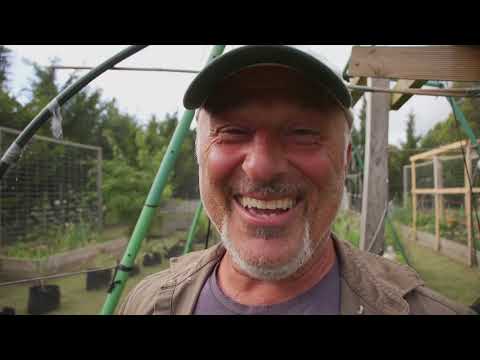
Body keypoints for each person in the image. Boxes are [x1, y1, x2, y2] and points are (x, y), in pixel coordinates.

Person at [118, 45, 475, 315]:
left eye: (303, 133)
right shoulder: (145, 304)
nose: (261, 167)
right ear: (200, 155)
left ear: (345, 158)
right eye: (232, 132)